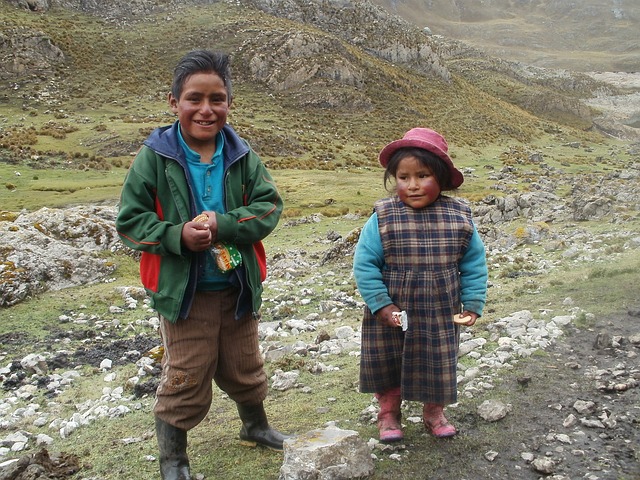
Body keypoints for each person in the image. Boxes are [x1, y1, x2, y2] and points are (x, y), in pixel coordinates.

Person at [115, 49, 287, 480]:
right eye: (195, 98)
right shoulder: (153, 157)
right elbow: (131, 222)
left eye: (218, 99)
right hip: (184, 294)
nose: (206, 110)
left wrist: (225, 224)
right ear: (174, 103)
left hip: (237, 286)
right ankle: (173, 459)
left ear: (229, 102)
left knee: (245, 365)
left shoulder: (243, 155)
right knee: (187, 375)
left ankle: (256, 426)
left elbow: (269, 208)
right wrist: (177, 236)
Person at [353, 127, 488, 442]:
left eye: (422, 175)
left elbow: (473, 264)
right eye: (403, 177)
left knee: (437, 361)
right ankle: (388, 415)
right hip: (393, 310)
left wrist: (472, 304)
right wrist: (382, 304)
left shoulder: (459, 216)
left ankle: (434, 413)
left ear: (440, 177)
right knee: (388, 362)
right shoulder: (383, 216)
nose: (412, 185)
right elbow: (365, 263)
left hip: (440, 308)